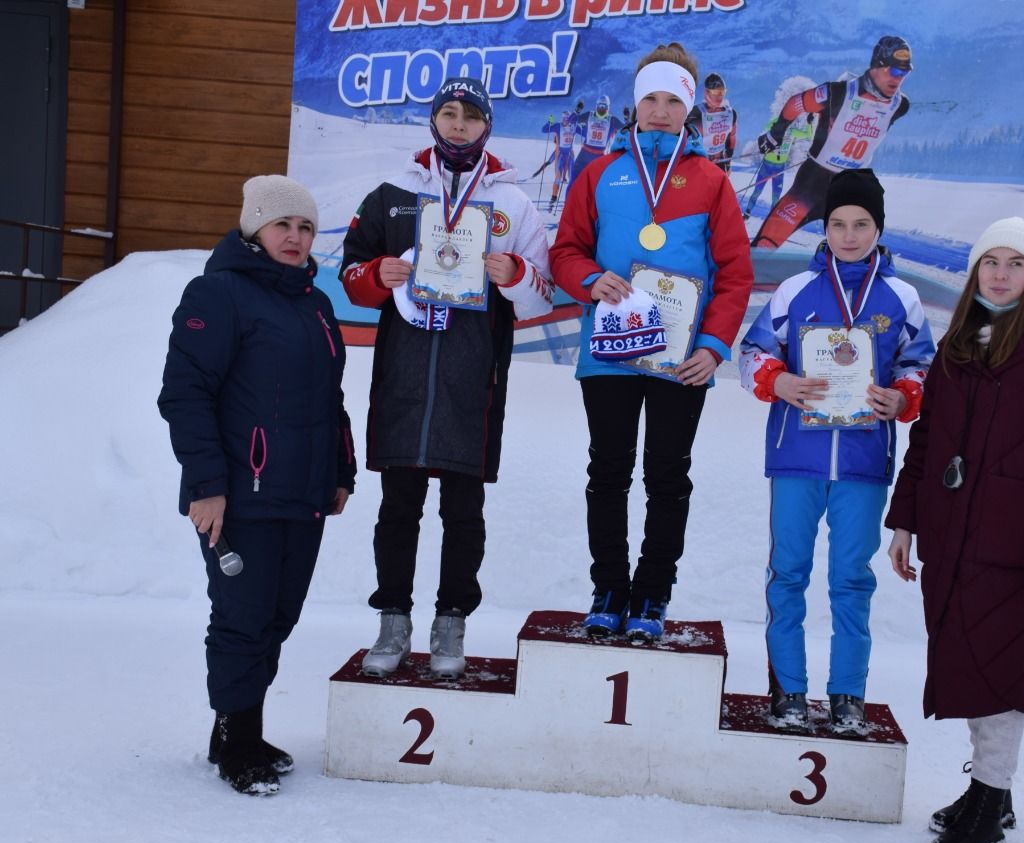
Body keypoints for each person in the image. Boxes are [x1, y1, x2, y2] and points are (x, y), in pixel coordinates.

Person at [884, 217, 1024, 843]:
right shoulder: (961, 343)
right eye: (990, 263)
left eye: (1015, 264)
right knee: (968, 658)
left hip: (1015, 542)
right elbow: (927, 440)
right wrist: (905, 521)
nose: (1001, 275)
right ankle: (990, 794)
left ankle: (990, 797)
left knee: (1000, 664)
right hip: (954, 536)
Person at [340, 77, 553, 680]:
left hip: (472, 379)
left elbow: (542, 296)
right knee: (398, 508)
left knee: (464, 512)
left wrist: (512, 272)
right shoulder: (394, 192)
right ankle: (392, 620)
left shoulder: (513, 203)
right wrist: (377, 273)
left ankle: (452, 621)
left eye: (471, 116)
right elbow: (351, 274)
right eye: (449, 113)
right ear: (434, 120)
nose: (459, 125)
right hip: (405, 376)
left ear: (487, 125)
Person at [158, 174, 356, 796]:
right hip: (240, 494)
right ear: (254, 229)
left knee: (278, 615)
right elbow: (185, 395)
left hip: (302, 493)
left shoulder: (315, 304)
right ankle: (237, 741)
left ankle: (237, 727)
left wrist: (341, 471)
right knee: (243, 617)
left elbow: (331, 400)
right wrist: (206, 485)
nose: (295, 238)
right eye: (282, 226)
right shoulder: (217, 294)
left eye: (304, 228)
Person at [550, 42, 753, 642]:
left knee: (668, 476)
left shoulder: (712, 181)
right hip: (609, 352)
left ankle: (652, 595)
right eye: (650, 99)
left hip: (681, 361)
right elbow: (565, 252)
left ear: (689, 108)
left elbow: (735, 274)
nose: (660, 110)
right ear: (635, 104)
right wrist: (589, 280)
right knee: (607, 472)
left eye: (672, 100)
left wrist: (713, 348)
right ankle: (609, 587)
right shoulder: (599, 172)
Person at [738, 168, 934, 731]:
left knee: (851, 578)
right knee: (788, 573)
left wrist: (904, 397)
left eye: (862, 224)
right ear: (824, 228)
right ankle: (789, 691)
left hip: (863, 463)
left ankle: (848, 693)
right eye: (839, 224)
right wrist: (778, 382)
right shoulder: (796, 290)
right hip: (796, 456)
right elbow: (752, 353)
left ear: (878, 228)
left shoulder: (902, 297)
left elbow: (921, 365)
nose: (849, 235)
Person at [752, 35, 913, 250]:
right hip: (812, 182)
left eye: (904, 72)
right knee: (765, 244)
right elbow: (795, 103)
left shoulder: (900, 105)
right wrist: (776, 133)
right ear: (876, 66)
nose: (898, 78)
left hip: (850, 186)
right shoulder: (838, 92)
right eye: (894, 71)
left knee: (854, 254)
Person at [741, 112, 814, 219]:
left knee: (776, 196)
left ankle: (771, 219)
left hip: (779, 168)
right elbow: (766, 126)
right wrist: (778, 120)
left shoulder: (792, 131)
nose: (791, 121)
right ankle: (747, 213)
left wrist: (809, 123)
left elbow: (808, 135)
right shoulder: (775, 128)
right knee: (757, 191)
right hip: (767, 165)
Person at [568, 94, 624, 189]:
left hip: (599, 156)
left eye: (604, 106)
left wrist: (627, 118)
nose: (601, 109)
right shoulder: (589, 115)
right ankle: (568, 203)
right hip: (584, 154)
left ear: (608, 108)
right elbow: (571, 120)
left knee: (597, 186)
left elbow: (627, 129)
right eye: (600, 106)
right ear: (596, 106)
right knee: (574, 181)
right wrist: (577, 110)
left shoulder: (612, 120)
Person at [688, 72, 739, 175]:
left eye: (722, 92)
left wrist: (728, 163)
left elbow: (731, 139)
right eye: (715, 92)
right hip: (700, 163)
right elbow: (684, 141)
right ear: (707, 92)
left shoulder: (731, 113)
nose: (719, 96)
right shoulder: (696, 113)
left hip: (720, 162)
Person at [540, 107, 581, 211]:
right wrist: (549, 122)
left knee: (572, 178)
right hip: (561, 155)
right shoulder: (558, 126)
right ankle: (553, 198)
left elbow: (585, 132)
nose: (565, 120)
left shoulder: (574, 127)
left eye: (567, 118)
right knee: (558, 178)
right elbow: (544, 130)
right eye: (564, 118)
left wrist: (584, 127)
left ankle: (572, 200)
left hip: (570, 155)